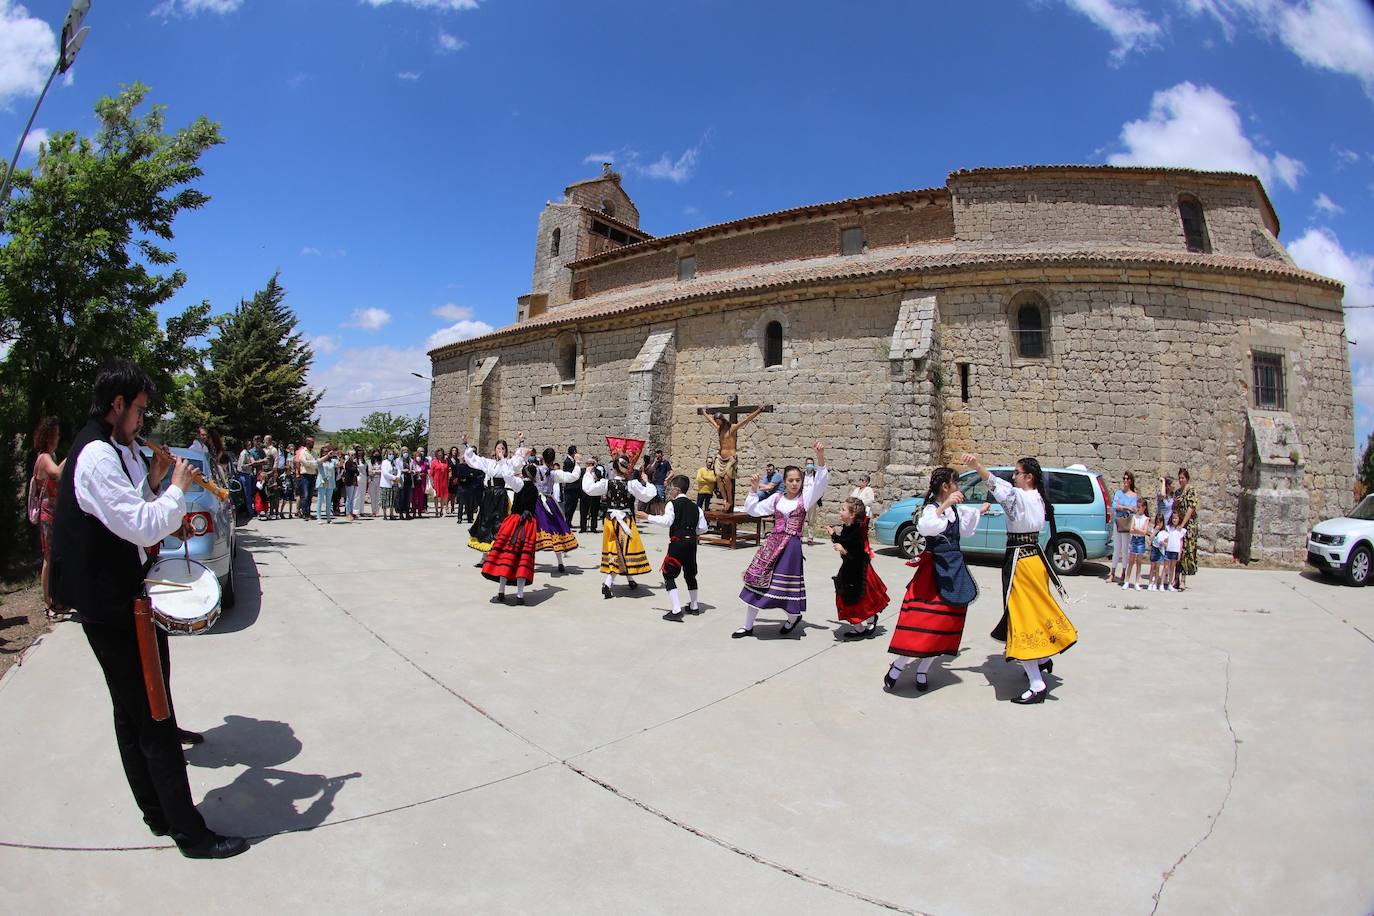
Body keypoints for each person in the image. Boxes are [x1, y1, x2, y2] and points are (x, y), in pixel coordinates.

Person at [49, 360, 248, 859]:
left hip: (121, 596)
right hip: (113, 605)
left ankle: (157, 814)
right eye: (139, 409)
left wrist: (157, 484)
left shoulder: (117, 449)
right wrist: (178, 487)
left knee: (131, 712)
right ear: (117, 405)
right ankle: (191, 834)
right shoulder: (95, 455)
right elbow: (139, 526)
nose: (143, 419)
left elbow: (130, 516)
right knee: (155, 716)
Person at [964, 453, 1077, 704]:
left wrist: (977, 467)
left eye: (1016, 473)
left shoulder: (1021, 496)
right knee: (1034, 611)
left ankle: (1036, 683)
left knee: (1022, 617)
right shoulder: (1037, 497)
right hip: (1034, 559)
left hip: (1020, 564)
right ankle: (1043, 658)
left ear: (1028, 477)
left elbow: (996, 484)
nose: (1013, 476)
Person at [883, 467, 983, 692]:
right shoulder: (932, 510)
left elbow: (964, 530)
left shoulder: (954, 510)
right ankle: (898, 667)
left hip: (954, 570)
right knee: (922, 624)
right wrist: (946, 505)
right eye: (955, 484)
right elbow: (926, 527)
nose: (958, 488)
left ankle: (922, 670)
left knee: (945, 624)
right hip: (933, 573)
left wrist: (981, 511)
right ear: (946, 487)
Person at [734, 442, 828, 639]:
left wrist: (820, 457)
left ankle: (793, 617)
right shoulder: (776, 499)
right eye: (791, 480)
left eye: (798, 480)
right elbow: (753, 510)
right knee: (757, 580)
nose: (795, 484)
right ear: (784, 481)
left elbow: (820, 484)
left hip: (791, 547)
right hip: (773, 544)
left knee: (784, 587)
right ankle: (748, 626)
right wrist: (752, 490)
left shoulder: (806, 499)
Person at [582, 453, 656, 598]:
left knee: (617, 550)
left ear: (614, 468)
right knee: (623, 551)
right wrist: (647, 482)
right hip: (625, 520)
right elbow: (648, 495)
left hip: (610, 520)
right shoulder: (631, 484)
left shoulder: (606, 483)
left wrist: (588, 473)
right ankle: (608, 583)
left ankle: (630, 580)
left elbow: (589, 489)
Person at [638, 474, 707, 621]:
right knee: (690, 573)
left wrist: (647, 517)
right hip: (691, 543)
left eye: (670, 489)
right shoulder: (696, 508)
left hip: (678, 543)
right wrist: (690, 532)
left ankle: (676, 610)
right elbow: (703, 528)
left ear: (676, 489)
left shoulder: (672, 504)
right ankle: (694, 606)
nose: (669, 491)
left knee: (668, 574)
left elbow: (667, 521)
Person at [828, 495, 890, 639]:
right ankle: (860, 627)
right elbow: (844, 541)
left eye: (843, 509)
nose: (840, 512)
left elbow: (855, 551)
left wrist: (843, 550)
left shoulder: (858, 529)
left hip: (859, 571)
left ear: (852, 514)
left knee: (861, 599)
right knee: (847, 599)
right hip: (849, 569)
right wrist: (834, 536)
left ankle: (868, 620)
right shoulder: (848, 527)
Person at [482, 464, 538, 605]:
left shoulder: (517, 485)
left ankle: (501, 591)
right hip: (526, 524)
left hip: (512, 522)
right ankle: (520, 595)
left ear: (523, 474)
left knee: (506, 556)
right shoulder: (534, 488)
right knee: (521, 559)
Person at [464, 434, 528, 550]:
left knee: (499, 524)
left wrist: (521, 442)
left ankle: (498, 553)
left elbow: (518, 459)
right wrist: (466, 445)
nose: (500, 450)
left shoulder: (508, 463)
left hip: (501, 496)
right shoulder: (489, 462)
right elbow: (475, 459)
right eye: (498, 448)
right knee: (485, 523)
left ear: (506, 450)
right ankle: (484, 555)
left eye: (503, 448)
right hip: (489, 495)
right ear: (495, 450)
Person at [700, 403, 767, 511]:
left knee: (727, 478)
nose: (717, 423)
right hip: (720, 457)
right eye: (717, 422)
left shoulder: (733, 428)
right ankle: (725, 499)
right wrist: (704, 412)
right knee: (717, 477)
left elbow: (746, 420)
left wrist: (758, 411)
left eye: (719, 421)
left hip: (730, 457)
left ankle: (730, 500)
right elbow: (710, 421)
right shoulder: (719, 429)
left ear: (722, 420)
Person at [31, 417, 66, 619]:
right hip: (48, 514)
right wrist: (71, 457)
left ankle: (54, 598)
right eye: (56, 434)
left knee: (53, 557)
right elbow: (56, 474)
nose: (58, 437)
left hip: (53, 513)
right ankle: (48, 602)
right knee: (48, 558)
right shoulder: (44, 458)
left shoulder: (48, 455)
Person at [534, 447, 582, 573]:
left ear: (542, 458)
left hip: (536, 503)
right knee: (556, 529)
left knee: (532, 530)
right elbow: (573, 477)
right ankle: (560, 562)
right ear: (553, 459)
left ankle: (528, 561)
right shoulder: (555, 473)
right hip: (550, 502)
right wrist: (577, 463)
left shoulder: (535, 470)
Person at [1110, 471, 1139, 583]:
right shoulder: (1118, 493)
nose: (1125, 481)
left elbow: (1135, 509)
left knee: (1125, 549)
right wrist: (1126, 507)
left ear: (1131, 481)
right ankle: (1112, 573)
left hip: (1127, 522)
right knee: (1116, 548)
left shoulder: (1134, 495)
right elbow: (1114, 505)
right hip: (1118, 521)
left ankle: (1123, 573)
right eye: (1124, 478)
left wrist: (1122, 507)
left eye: (1127, 479)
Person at [1175, 468, 1199, 590]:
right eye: (1179, 478)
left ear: (1187, 478)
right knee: (1177, 551)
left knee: (1186, 552)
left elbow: (1191, 508)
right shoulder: (1178, 492)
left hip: (1189, 526)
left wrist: (1183, 523)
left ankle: (1183, 580)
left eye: (1182, 478)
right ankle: (1176, 578)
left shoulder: (1191, 491)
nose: (1180, 480)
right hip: (1178, 525)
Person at [1125, 497, 1151, 589]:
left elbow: (1144, 532)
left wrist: (1136, 529)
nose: (1138, 508)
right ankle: (1127, 581)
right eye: (1137, 506)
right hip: (1134, 540)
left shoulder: (1146, 518)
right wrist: (1136, 530)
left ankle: (1137, 582)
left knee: (1139, 562)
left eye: (1139, 506)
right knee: (1131, 562)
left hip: (1140, 541)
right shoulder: (1134, 517)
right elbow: (1131, 530)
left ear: (1144, 507)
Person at [1162, 507, 1187, 591]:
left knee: (1172, 567)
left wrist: (1180, 552)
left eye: (1176, 518)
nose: (1174, 520)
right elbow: (1165, 538)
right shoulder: (1168, 528)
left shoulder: (1181, 530)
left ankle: (1170, 583)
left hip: (1175, 551)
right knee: (1166, 567)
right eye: (1173, 518)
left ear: (1179, 519)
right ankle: (1162, 583)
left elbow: (1181, 542)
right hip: (1168, 550)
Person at [295, 438, 318, 520]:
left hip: (312, 475)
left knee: (310, 496)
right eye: (311, 442)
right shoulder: (302, 452)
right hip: (305, 476)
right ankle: (304, 513)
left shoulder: (314, 452)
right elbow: (305, 463)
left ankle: (308, 512)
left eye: (313, 442)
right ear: (307, 442)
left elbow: (317, 463)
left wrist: (311, 463)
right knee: (305, 495)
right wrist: (312, 463)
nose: (313, 443)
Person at [579, 458, 604, 533]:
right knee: (583, 512)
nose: (590, 465)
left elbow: (600, 481)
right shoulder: (583, 471)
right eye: (589, 464)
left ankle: (593, 527)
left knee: (594, 512)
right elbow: (580, 482)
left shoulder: (598, 472)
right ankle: (583, 527)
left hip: (595, 495)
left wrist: (595, 477)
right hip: (585, 495)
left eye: (592, 464)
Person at [561, 445, 581, 526]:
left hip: (575, 488)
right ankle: (567, 522)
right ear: (574, 452)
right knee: (568, 506)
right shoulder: (568, 461)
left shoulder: (572, 461)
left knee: (573, 505)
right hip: (570, 487)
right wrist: (577, 462)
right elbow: (572, 474)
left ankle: (569, 521)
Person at [317, 447, 338, 523]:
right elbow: (318, 462)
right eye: (325, 452)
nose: (327, 453)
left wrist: (339, 456)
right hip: (322, 481)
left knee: (329, 501)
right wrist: (327, 456)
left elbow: (339, 465)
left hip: (331, 482)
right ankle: (318, 516)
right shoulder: (321, 460)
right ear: (322, 453)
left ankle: (328, 517)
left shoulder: (332, 461)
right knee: (320, 499)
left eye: (328, 451)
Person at [430, 447, 450, 519]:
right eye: (439, 453)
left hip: (444, 480)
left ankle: (441, 510)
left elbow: (447, 472)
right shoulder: (434, 462)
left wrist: (447, 481)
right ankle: (436, 510)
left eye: (441, 452)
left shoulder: (445, 461)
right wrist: (432, 481)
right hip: (436, 480)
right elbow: (431, 473)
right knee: (436, 496)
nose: (440, 454)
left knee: (443, 496)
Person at [342, 447, 361, 521]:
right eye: (351, 455)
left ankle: (351, 512)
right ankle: (347, 513)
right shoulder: (347, 463)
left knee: (352, 498)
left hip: (354, 482)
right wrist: (355, 471)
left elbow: (357, 472)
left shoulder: (354, 463)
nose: (353, 456)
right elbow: (351, 470)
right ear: (349, 455)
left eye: (354, 455)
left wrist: (355, 471)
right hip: (349, 482)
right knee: (349, 498)